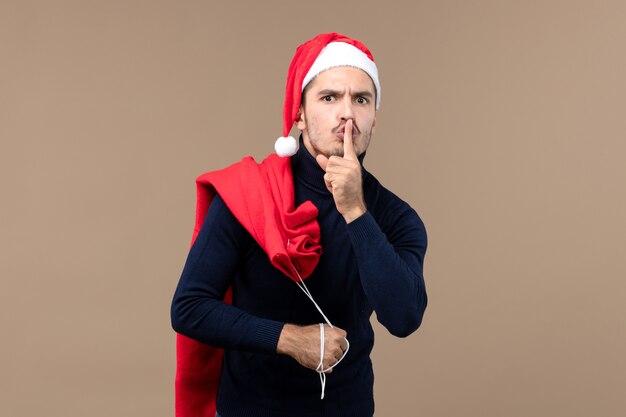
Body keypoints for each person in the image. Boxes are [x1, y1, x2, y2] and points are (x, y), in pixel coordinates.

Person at [171, 32, 428, 417]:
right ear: (301, 114)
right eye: (329, 98)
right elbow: (189, 308)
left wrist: (355, 211)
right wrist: (288, 338)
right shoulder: (248, 196)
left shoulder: (395, 216)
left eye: (361, 99)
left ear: (374, 118)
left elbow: (404, 317)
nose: (347, 113)